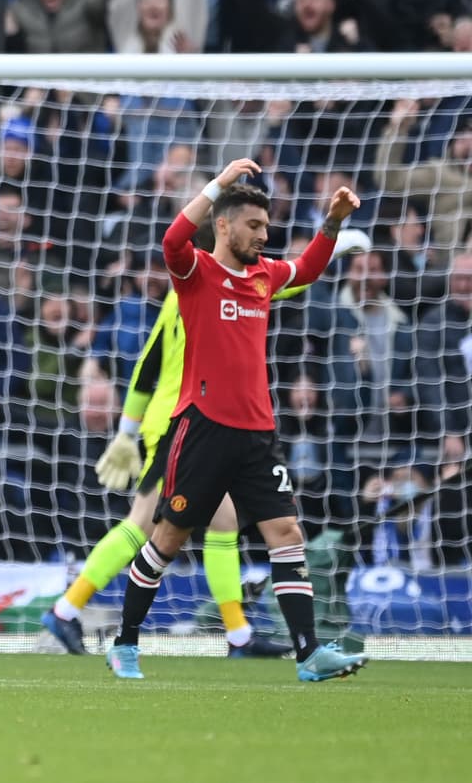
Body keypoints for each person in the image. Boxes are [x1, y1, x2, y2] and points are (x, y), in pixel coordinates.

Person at [44, 221, 371, 657]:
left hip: (192, 424)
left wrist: (326, 250)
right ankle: (68, 611)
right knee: (143, 525)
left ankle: (237, 635)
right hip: (179, 425)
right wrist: (125, 432)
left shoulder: (203, 290)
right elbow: (150, 361)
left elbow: (280, 283)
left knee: (222, 522)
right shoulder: (195, 290)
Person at [106, 158, 369, 682]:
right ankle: (125, 644)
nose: (263, 236)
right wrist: (219, 184)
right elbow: (173, 240)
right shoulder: (197, 273)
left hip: (256, 436)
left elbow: (309, 267)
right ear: (224, 225)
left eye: (267, 228)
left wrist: (333, 222)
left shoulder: (263, 277)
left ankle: (309, 655)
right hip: (202, 429)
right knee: (168, 540)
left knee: (287, 532)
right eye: (254, 226)